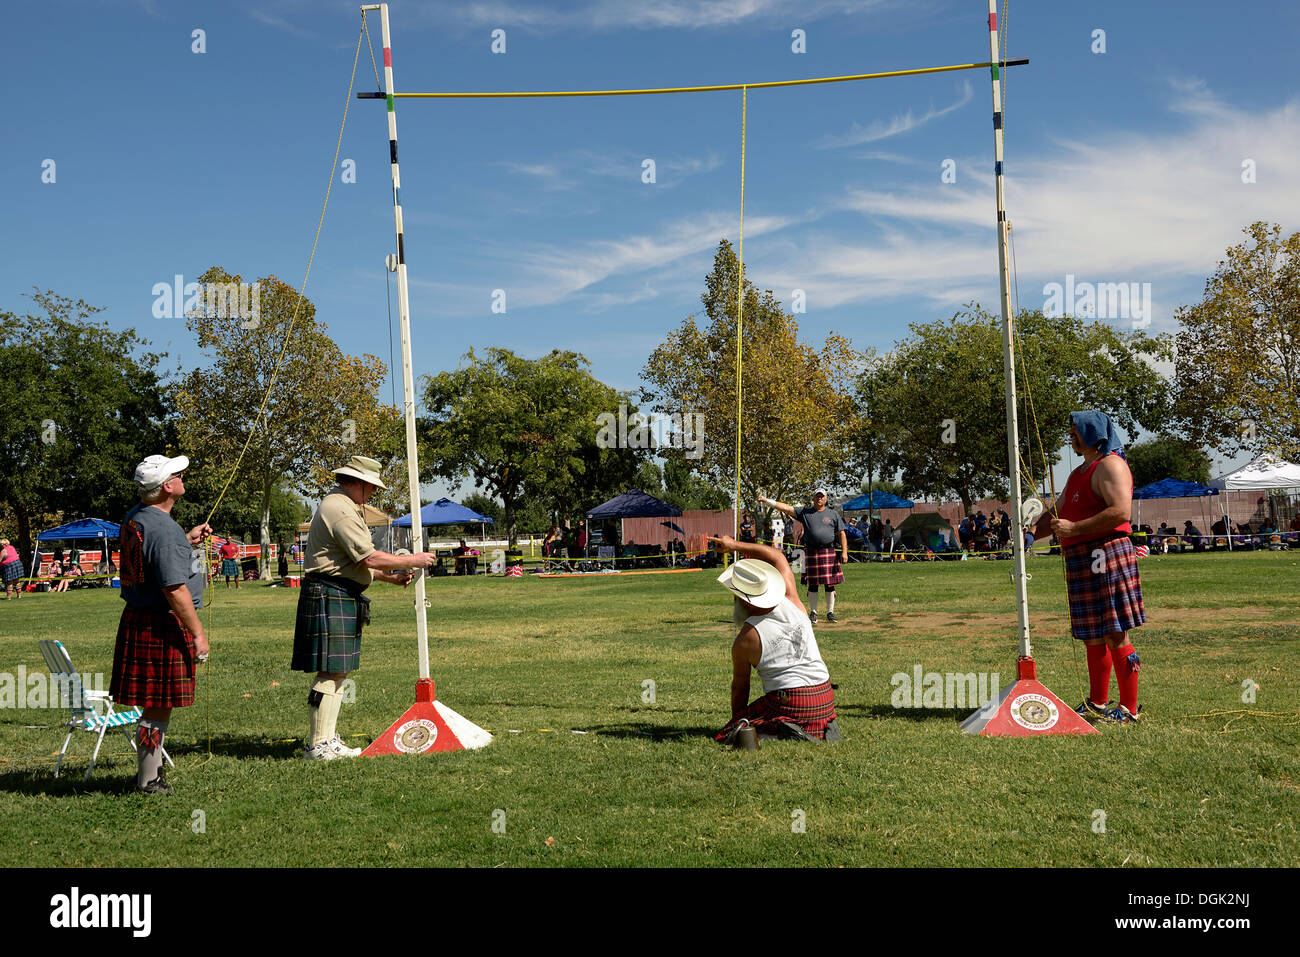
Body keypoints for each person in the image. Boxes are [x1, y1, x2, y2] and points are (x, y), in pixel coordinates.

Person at [292, 456, 437, 760]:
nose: (372, 492)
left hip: (338, 591)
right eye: (370, 486)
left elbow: (353, 562)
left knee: (337, 670)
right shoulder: (339, 507)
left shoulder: (345, 506)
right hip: (330, 592)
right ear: (356, 482)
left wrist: (390, 578)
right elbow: (368, 558)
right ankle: (318, 745)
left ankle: (326, 740)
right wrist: (413, 559)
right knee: (331, 671)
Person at [110, 454, 212, 793]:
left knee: (155, 705)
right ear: (168, 486)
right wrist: (198, 633)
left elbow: (154, 552)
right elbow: (173, 588)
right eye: (178, 474)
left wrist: (186, 539)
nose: (183, 476)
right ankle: (148, 779)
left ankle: (148, 775)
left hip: (140, 618)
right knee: (157, 706)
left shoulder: (137, 517)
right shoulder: (163, 530)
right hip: (161, 623)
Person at [1051, 411, 1145, 724]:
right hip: (1081, 556)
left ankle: (1129, 709)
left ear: (1093, 432)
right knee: (1092, 633)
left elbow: (1120, 511)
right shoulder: (1079, 472)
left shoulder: (1111, 465)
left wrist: (1073, 530)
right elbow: (1060, 509)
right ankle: (1097, 703)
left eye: (1075, 430)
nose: (1071, 436)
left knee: (1116, 632)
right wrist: (1027, 534)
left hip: (1107, 552)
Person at [707, 534, 840, 743]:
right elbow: (777, 557)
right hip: (825, 698)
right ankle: (815, 728)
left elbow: (740, 688)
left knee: (729, 733)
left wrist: (737, 721)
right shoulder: (791, 598)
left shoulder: (745, 639)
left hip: (793, 701)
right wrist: (734, 545)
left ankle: (783, 732)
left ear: (743, 600)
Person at [760, 487, 848, 625]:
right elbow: (787, 508)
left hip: (828, 552)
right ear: (813, 498)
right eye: (817, 496)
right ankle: (813, 613)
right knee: (812, 584)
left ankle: (830, 612)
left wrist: (844, 552)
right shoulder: (805, 512)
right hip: (812, 552)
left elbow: (841, 533)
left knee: (829, 584)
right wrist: (767, 501)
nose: (819, 498)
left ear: (825, 499)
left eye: (822, 496)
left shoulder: (833, 514)